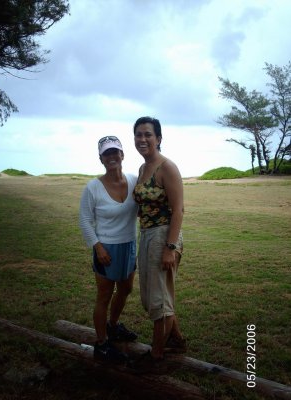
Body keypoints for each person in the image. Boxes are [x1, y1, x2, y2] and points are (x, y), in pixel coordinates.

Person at [132, 116, 186, 373]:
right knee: (153, 296)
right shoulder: (143, 169)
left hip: (164, 237)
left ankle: (155, 355)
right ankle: (175, 339)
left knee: (158, 300)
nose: (142, 139)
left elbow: (179, 210)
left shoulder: (167, 167)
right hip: (147, 235)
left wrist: (170, 248)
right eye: (138, 134)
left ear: (159, 139)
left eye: (147, 134)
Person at [79, 136, 138, 363]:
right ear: (101, 159)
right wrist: (97, 246)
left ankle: (113, 326)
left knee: (125, 289)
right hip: (105, 248)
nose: (112, 156)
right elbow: (85, 220)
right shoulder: (93, 187)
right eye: (107, 153)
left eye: (116, 152)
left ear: (122, 155)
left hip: (129, 245)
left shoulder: (134, 181)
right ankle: (102, 345)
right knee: (104, 295)